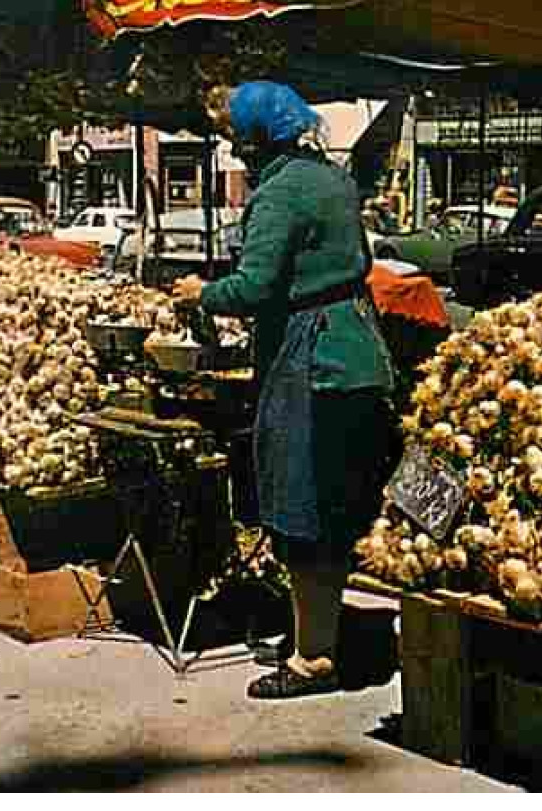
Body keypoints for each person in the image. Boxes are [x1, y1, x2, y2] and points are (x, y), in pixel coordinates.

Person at [174, 82, 396, 701]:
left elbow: (255, 288)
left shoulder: (278, 193)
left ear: (252, 138)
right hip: (356, 348)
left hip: (311, 359)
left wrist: (200, 295)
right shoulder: (331, 177)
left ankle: (314, 659)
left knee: (302, 508)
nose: (231, 148)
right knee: (338, 505)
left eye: (231, 136)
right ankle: (320, 629)